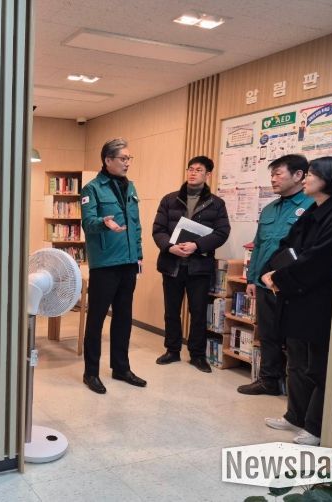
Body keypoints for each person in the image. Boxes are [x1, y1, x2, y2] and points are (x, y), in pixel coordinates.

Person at [262, 156, 332, 446]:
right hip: (295, 297)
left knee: (319, 367)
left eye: (312, 174)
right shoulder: (312, 210)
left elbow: (318, 259)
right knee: (296, 361)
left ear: (329, 179)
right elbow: (288, 244)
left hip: (318, 300)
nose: (306, 178)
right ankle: (295, 415)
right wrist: (270, 272)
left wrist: (279, 278)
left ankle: (316, 426)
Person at [237, 155, 313, 395]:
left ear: (298, 175)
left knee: (294, 339)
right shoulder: (270, 208)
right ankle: (269, 381)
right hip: (264, 284)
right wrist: (252, 279)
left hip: (293, 286)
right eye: (272, 174)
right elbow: (259, 245)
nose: (273, 179)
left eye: (278, 174)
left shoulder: (312, 206)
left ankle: (297, 391)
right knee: (268, 334)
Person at [152, 156, 230, 372]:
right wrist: (169, 247)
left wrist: (197, 245)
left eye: (198, 170)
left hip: (199, 266)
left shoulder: (217, 203)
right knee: (171, 311)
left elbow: (222, 232)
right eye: (190, 169)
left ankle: (197, 355)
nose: (193, 173)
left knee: (198, 312)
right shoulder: (170, 200)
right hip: (172, 264)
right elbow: (158, 230)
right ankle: (172, 350)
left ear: (208, 175)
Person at [80, 138, 145, 394]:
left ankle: (121, 368)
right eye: (123, 158)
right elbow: (88, 223)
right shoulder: (92, 189)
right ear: (108, 160)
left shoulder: (131, 187)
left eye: (129, 158)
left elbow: (136, 225)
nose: (127, 163)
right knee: (96, 319)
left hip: (128, 263)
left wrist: (138, 255)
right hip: (105, 263)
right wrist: (103, 223)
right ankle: (91, 373)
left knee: (123, 318)